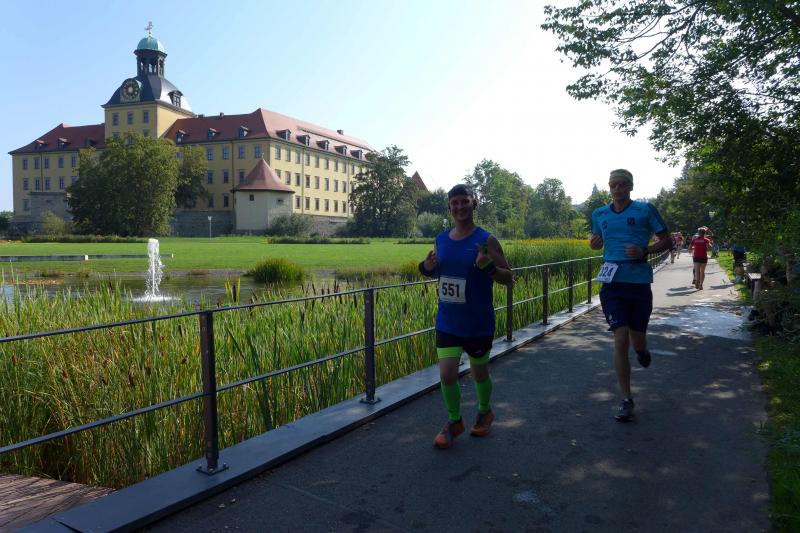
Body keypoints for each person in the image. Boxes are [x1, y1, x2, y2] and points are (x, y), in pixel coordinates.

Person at [418, 184, 513, 448]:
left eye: (464, 201)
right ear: (449, 207)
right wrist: (426, 268)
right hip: (448, 318)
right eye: (455, 202)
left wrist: (489, 267)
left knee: (479, 372)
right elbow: (437, 271)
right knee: (447, 374)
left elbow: (508, 278)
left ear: (474, 203)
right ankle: (454, 421)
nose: (459, 207)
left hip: (478, 321)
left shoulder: (486, 240)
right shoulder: (441, 239)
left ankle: (484, 411)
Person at [590, 169, 671, 422]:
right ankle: (626, 399)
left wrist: (644, 250)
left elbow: (667, 240)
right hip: (612, 283)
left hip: (638, 283)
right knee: (620, 339)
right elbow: (597, 240)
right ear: (609, 187)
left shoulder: (645, 210)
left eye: (622, 184)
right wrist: (594, 243)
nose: (617, 188)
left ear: (630, 187)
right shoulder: (599, 214)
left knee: (637, 341)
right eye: (613, 184)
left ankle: (642, 351)